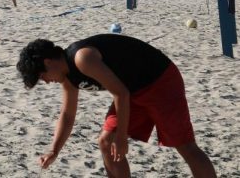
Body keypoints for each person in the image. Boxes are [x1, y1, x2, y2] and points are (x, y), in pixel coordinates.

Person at [17, 35, 216, 177]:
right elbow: (67, 115)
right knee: (106, 142)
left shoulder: (82, 58)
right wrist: (54, 150)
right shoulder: (67, 78)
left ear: (48, 62)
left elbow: (121, 93)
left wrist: (122, 138)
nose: (45, 81)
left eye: (41, 76)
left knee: (185, 146)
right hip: (132, 90)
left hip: (159, 81)